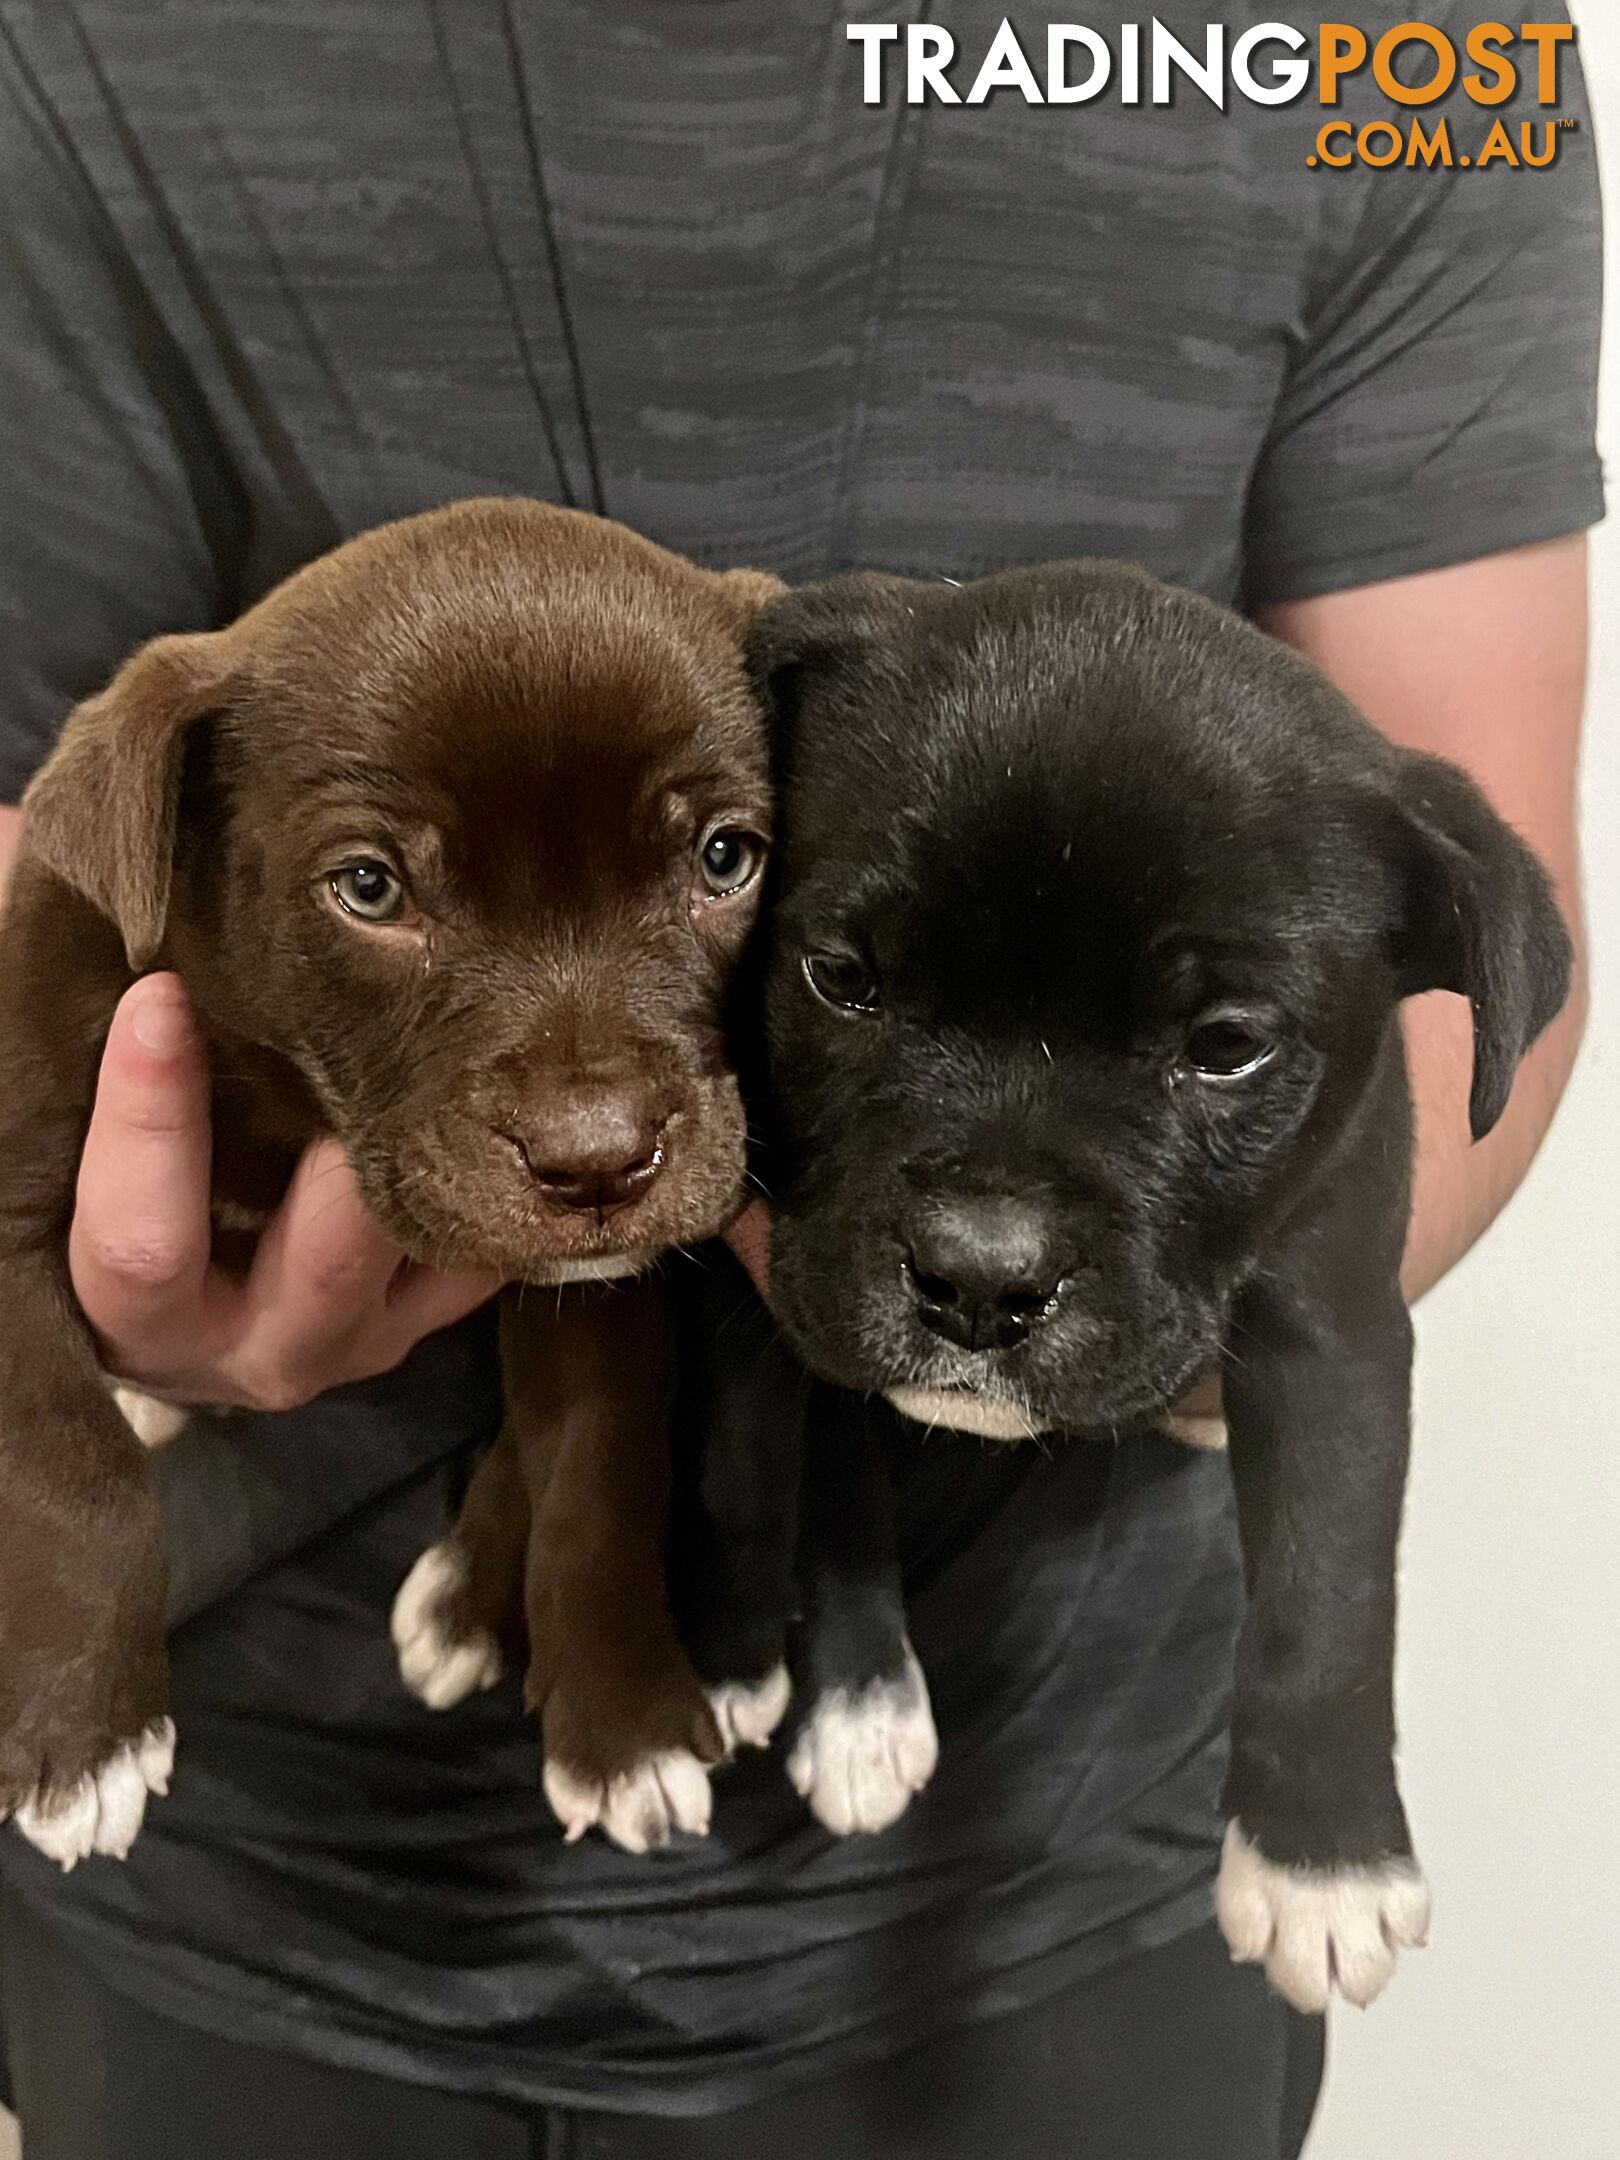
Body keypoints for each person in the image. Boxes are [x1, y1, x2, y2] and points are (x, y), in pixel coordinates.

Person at [0, 5, 1599, 2154]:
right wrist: (123, 1321)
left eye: (722, 856)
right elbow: (45, 864)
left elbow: (1477, 908)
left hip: (1051, 1839)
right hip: (254, 1852)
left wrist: (1180, 1330)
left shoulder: (1409, 38)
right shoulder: (79, 49)